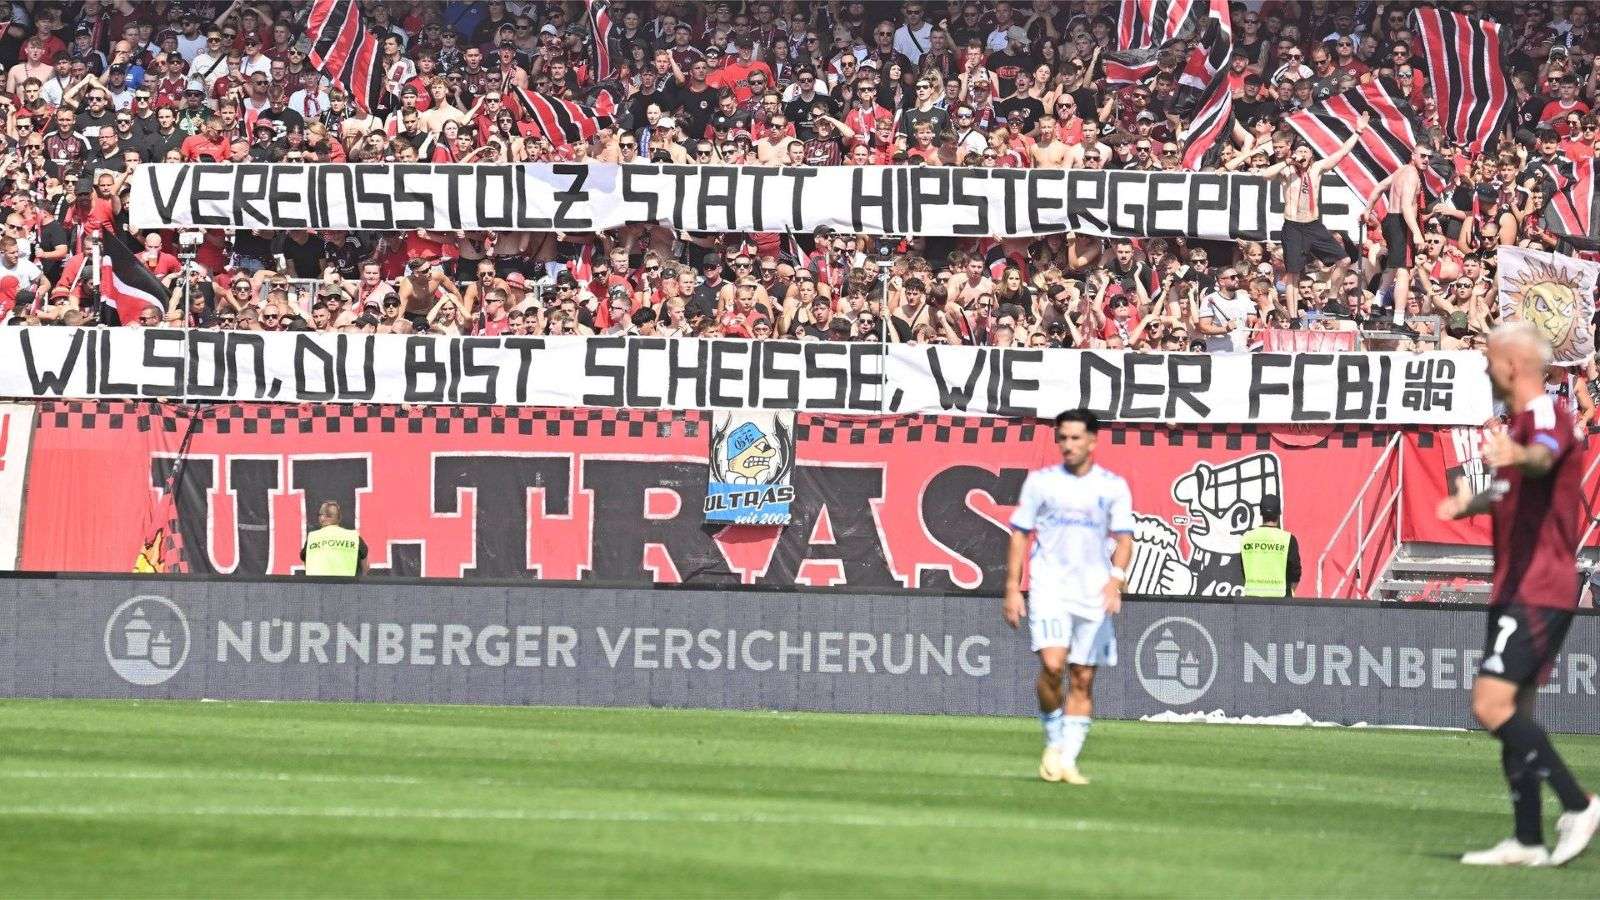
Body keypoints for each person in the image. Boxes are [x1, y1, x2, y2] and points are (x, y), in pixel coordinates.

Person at [1436, 323, 1598, 867]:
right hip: (1518, 584)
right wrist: (1473, 503)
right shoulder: (1521, 425)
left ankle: (1579, 804)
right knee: (1516, 711)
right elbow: (1514, 488)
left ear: (1511, 366)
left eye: (1488, 361)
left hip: (1538, 584)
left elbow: (1545, 459)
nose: (1485, 369)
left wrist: (1517, 455)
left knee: (1490, 704)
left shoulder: (1546, 416)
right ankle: (1527, 840)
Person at [1004, 409, 1133, 785]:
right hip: (1050, 588)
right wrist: (1013, 587)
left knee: (1082, 678)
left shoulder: (1112, 486)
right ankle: (1054, 738)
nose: (1069, 445)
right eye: (1063, 438)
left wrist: (1115, 581)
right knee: (1053, 665)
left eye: (1076, 438)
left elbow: (1125, 539)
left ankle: (1068, 760)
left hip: (1092, 592)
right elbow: (1019, 534)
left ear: (1092, 441)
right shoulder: (1041, 483)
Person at [1239, 494, 1300, 597]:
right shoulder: (1288, 539)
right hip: (1280, 602)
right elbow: (1295, 573)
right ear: (1279, 513)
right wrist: (1290, 593)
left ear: (1260, 513)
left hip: (1251, 602)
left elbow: (1243, 569)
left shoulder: (1247, 538)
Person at [300, 500, 368, 577]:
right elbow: (365, 566)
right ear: (339, 517)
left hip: (317, 586)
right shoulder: (354, 537)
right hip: (347, 586)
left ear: (322, 517)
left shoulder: (312, 538)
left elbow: (306, 561)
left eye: (319, 515)